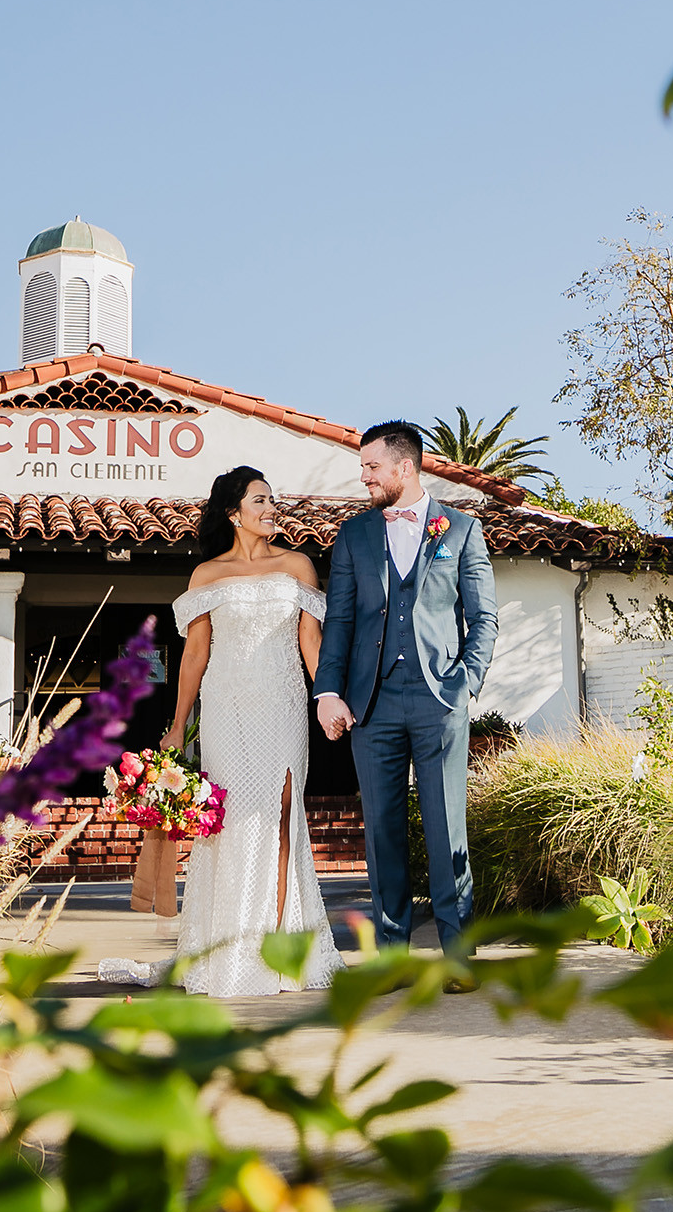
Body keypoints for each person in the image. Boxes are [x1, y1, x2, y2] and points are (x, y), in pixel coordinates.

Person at [312, 421, 497, 971]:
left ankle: (457, 956)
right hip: (370, 705)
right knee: (384, 835)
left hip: (439, 700)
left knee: (446, 829)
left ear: (405, 468)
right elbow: (340, 620)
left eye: (372, 467)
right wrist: (327, 690)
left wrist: (465, 683)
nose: (364, 476)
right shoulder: (354, 536)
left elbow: (483, 618)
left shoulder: (460, 531)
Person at [165, 466, 343, 996]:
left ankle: (283, 948)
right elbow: (195, 654)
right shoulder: (206, 574)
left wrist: (327, 697)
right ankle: (229, 948)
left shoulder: (299, 566)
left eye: (273, 499)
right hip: (225, 708)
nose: (271, 508)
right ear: (233, 511)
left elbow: (312, 644)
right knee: (232, 821)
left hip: (283, 703)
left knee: (283, 816)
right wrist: (178, 727)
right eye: (260, 499)